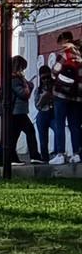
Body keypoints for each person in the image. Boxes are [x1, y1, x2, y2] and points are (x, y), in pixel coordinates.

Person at [49, 30, 82, 165]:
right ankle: (76, 154)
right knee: (75, 125)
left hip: (62, 94)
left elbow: (54, 72)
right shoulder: (80, 56)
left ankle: (60, 154)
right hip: (77, 96)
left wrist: (56, 78)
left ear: (65, 41)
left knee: (60, 124)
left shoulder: (64, 55)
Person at [6, 55, 40, 164]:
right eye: (22, 68)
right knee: (30, 131)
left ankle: (12, 158)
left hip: (16, 111)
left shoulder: (13, 78)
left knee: (14, 135)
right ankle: (34, 156)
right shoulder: (15, 79)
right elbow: (23, 93)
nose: (23, 70)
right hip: (18, 111)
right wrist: (30, 86)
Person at [34, 64, 55, 164]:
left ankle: (57, 153)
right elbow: (37, 106)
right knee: (43, 138)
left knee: (58, 131)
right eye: (43, 78)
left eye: (48, 77)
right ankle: (45, 157)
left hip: (53, 113)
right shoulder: (38, 90)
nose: (46, 80)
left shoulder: (55, 87)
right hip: (42, 114)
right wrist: (43, 98)